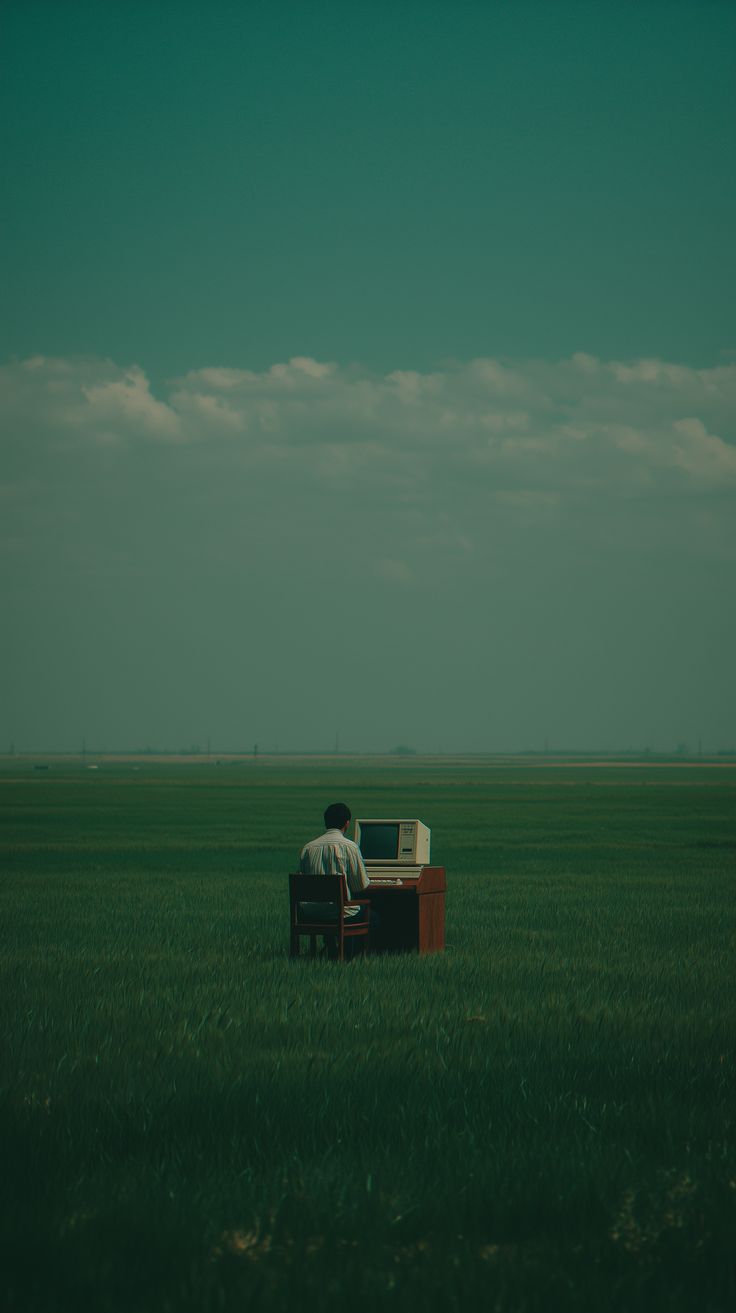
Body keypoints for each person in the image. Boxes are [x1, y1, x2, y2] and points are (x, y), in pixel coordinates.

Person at [298, 801, 376, 958]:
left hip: (311, 912)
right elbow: (359, 886)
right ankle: (349, 955)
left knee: (336, 907)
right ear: (347, 823)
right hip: (339, 913)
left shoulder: (308, 848)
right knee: (374, 916)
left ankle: (333, 950)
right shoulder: (350, 847)